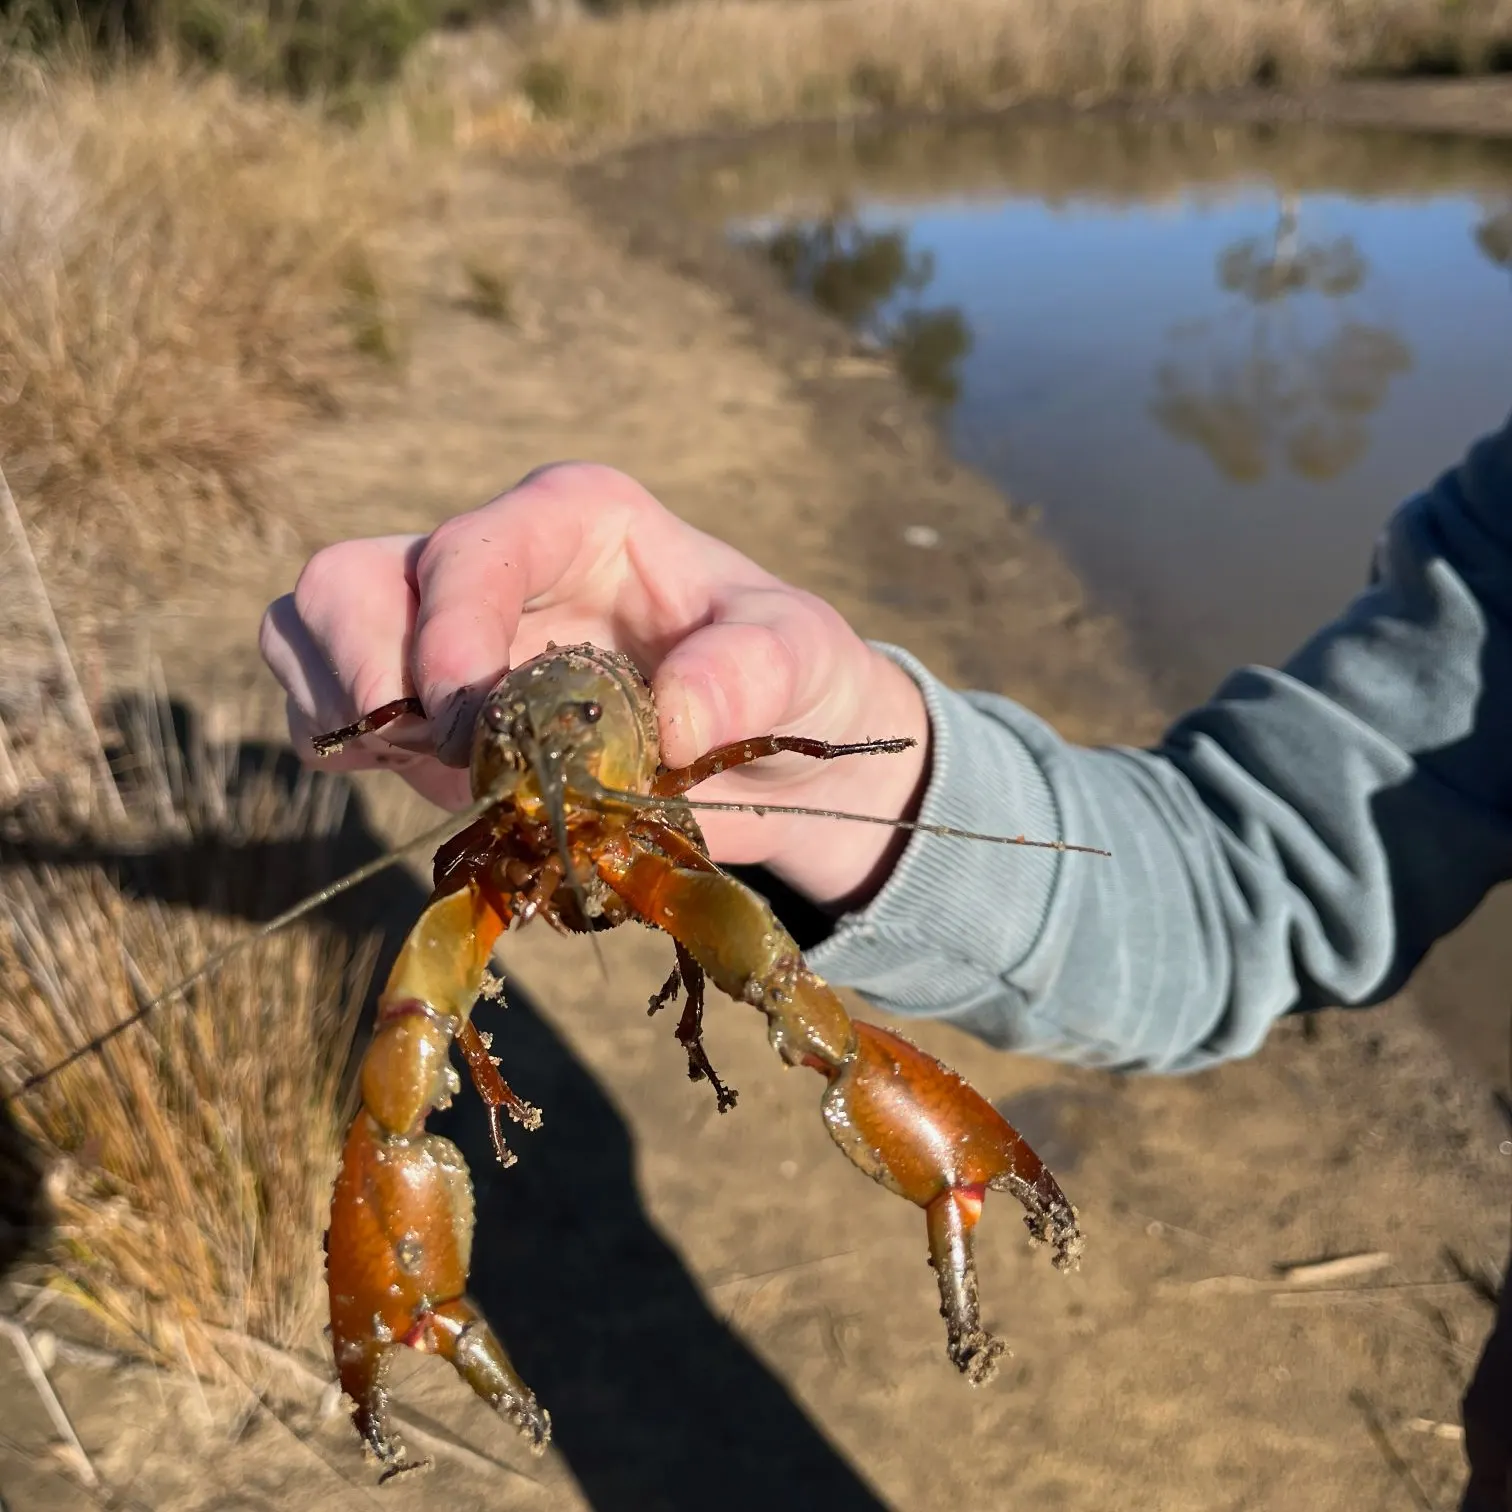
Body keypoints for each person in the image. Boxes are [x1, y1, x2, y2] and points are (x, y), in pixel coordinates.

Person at [260, 416, 1512, 1511]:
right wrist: (856, 776)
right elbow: (1257, 876)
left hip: (636, 813)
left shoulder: (649, 807)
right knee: (403, 1079)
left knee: (799, 1012)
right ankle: (424, 1314)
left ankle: (944, 1193)